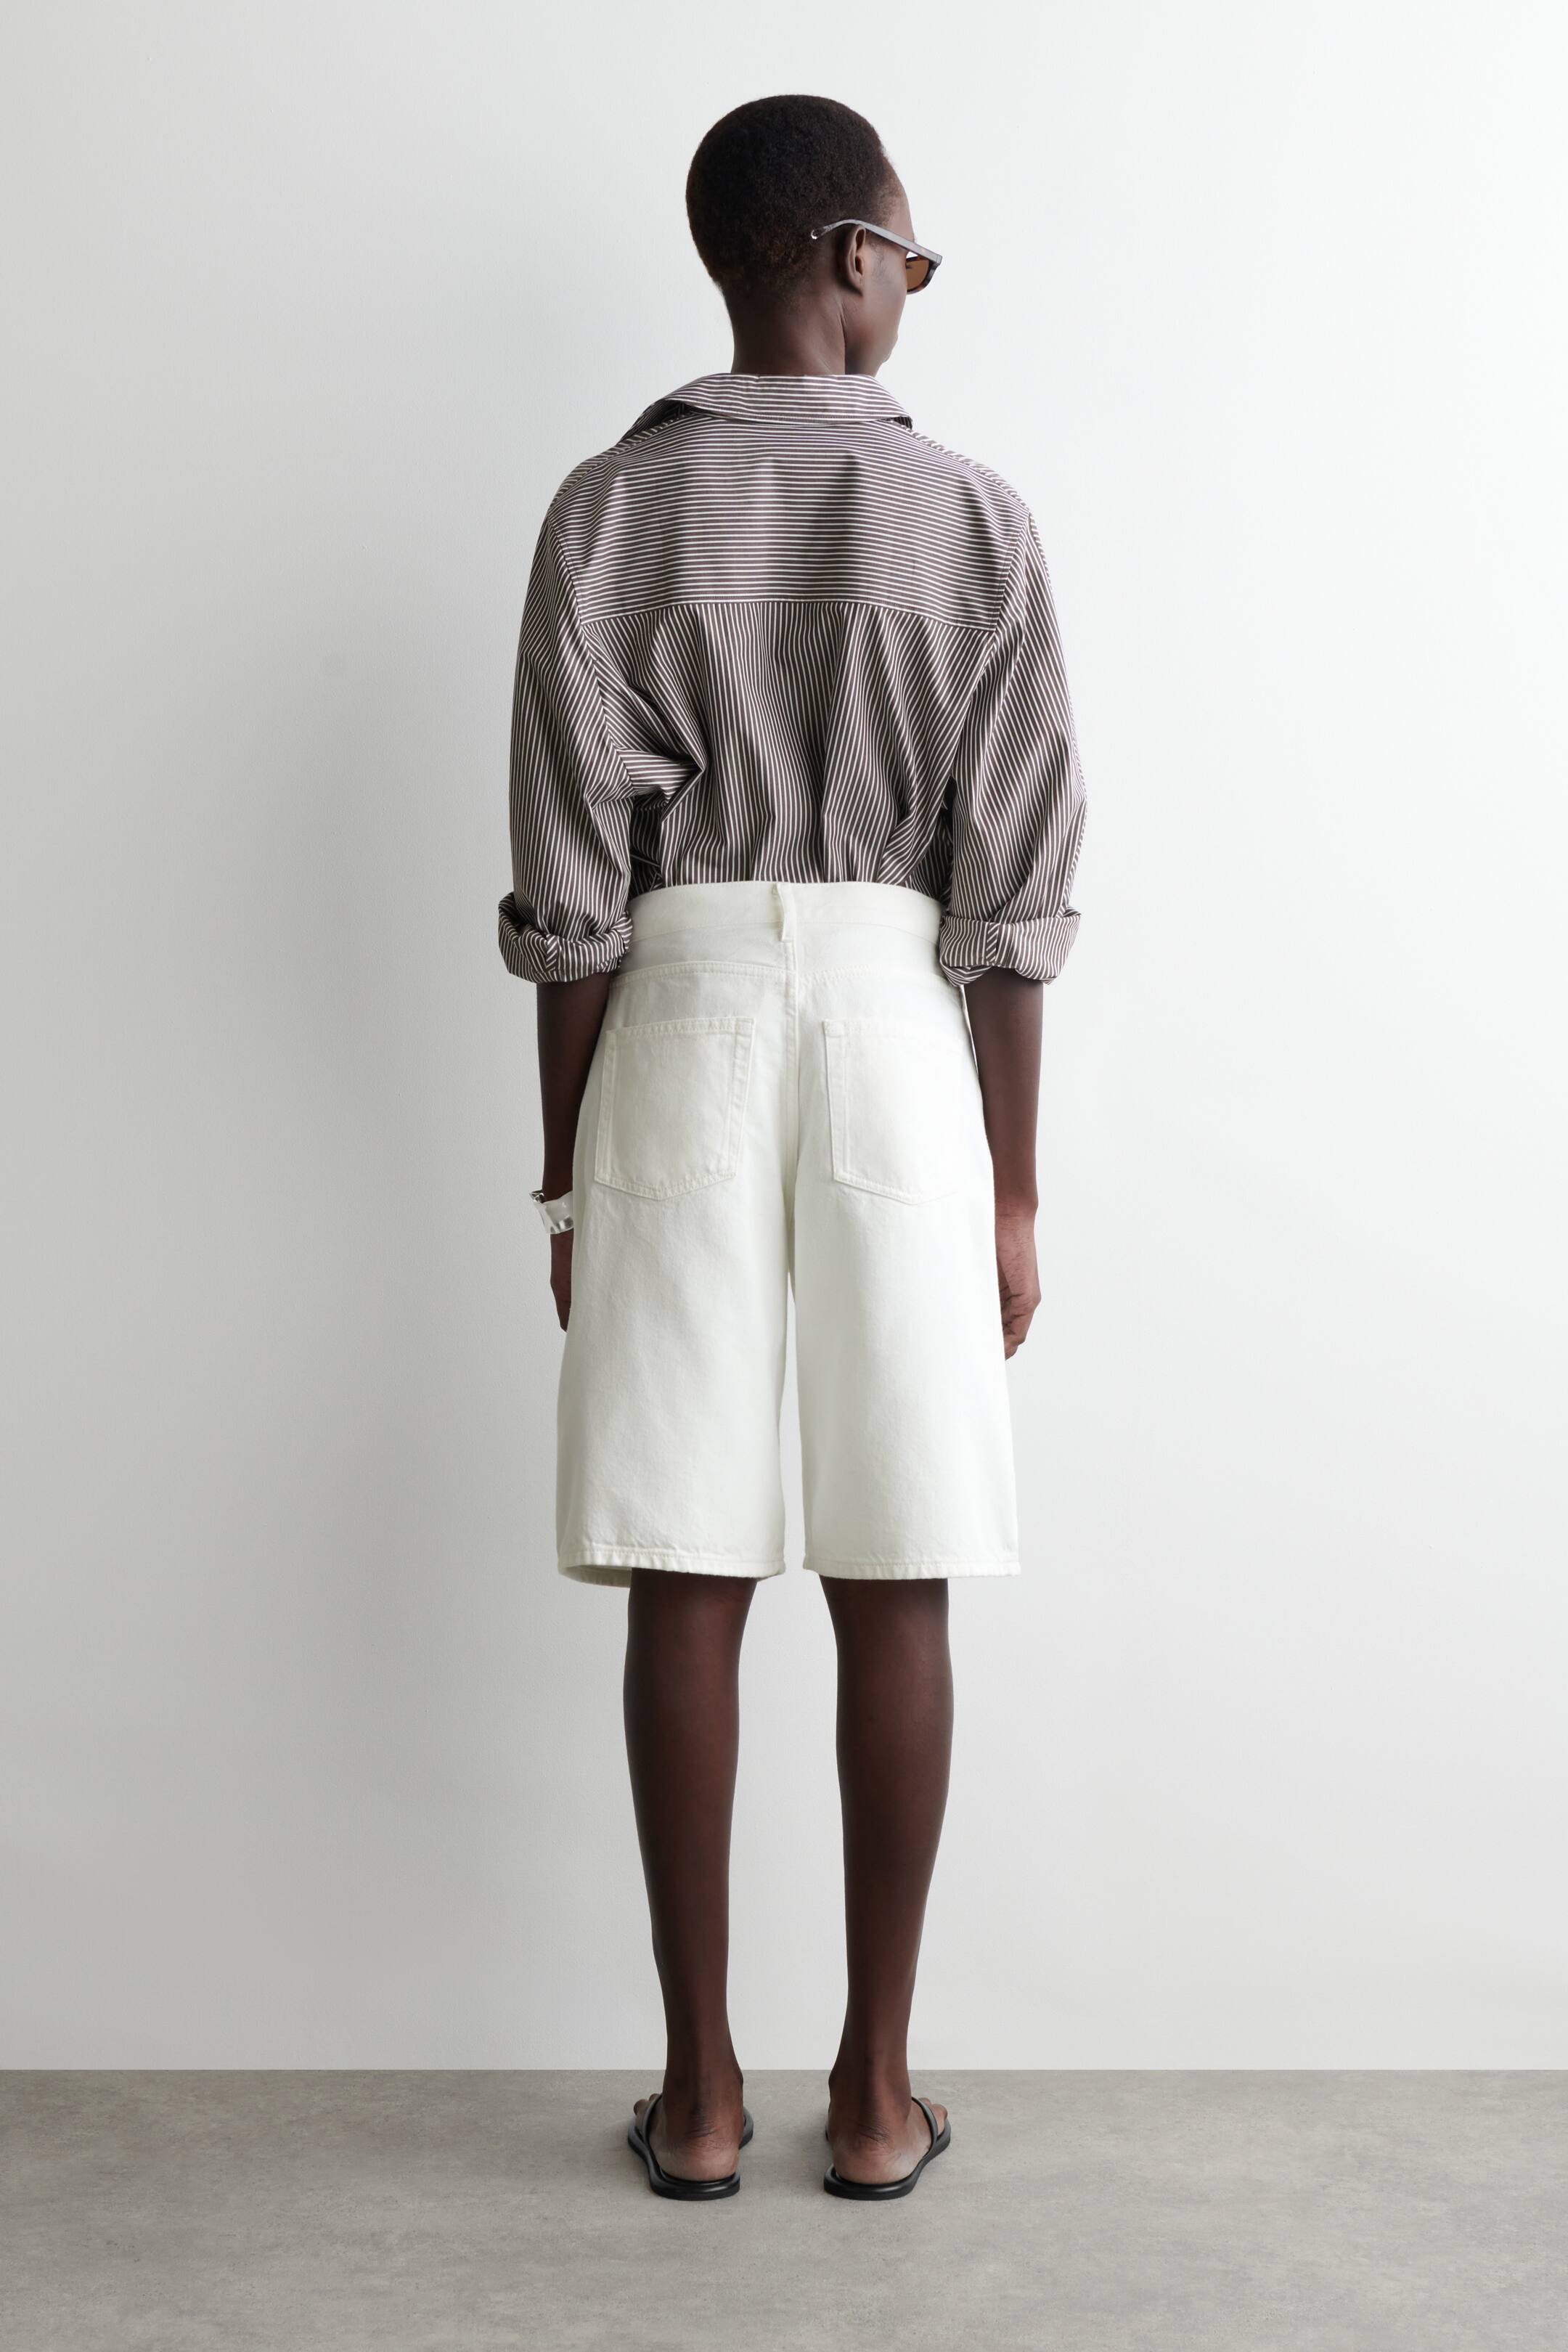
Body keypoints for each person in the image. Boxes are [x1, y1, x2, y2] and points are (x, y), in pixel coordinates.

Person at [497, 93, 1086, 2202]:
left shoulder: (604, 510)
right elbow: (1013, 900)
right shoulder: (979, 522)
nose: (911, 291)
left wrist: (565, 1178)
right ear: (846, 254)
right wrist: (1013, 1186)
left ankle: (698, 2097)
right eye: (911, 259)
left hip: (674, 1024)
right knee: (897, 1556)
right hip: (896, 1029)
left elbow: (568, 890)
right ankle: (879, 2095)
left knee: (689, 1557)